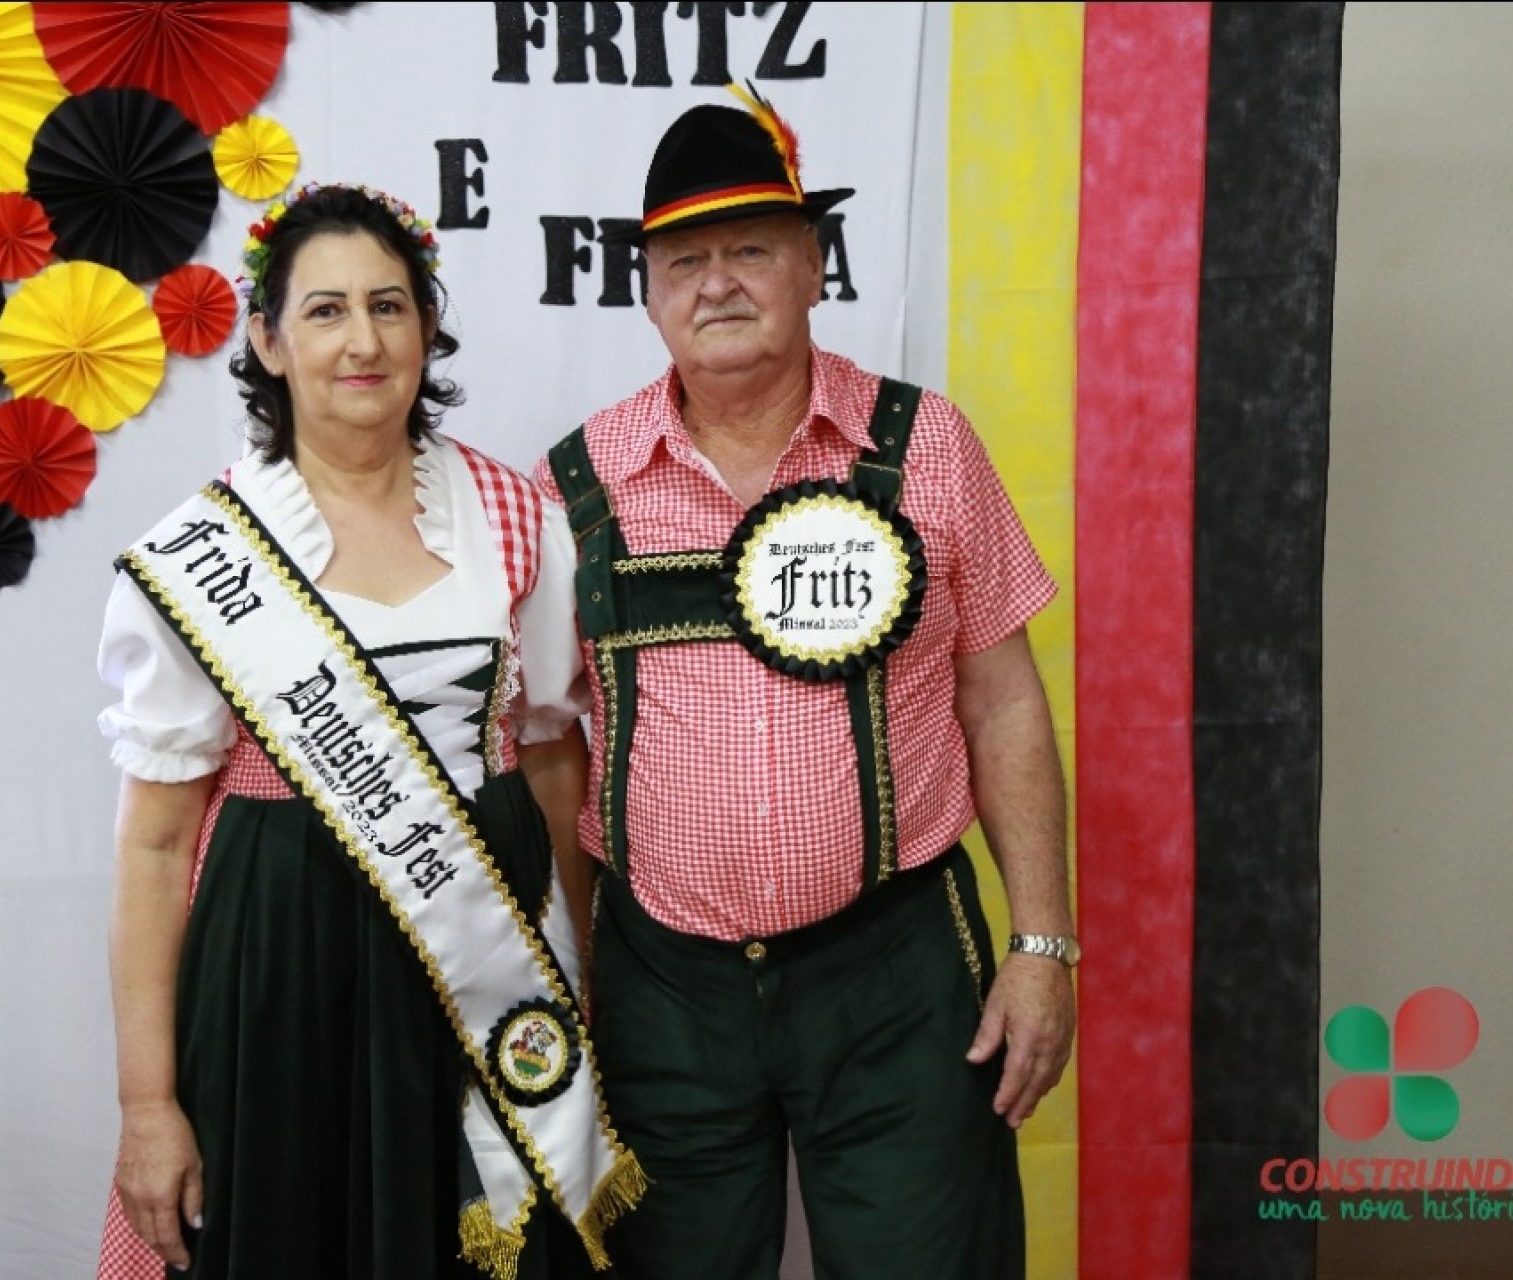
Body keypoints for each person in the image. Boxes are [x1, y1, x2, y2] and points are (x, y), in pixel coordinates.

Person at [532, 88, 1077, 1279]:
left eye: (750, 249)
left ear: (814, 265)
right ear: (648, 290)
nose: (717, 281)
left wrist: (1043, 942)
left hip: (899, 976)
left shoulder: (927, 448)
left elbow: (1004, 700)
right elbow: (545, 742)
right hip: (661, 986)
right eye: (684, 259)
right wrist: (566, 971)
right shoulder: (580, 488)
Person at [92, 182, 643, 1280]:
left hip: (489, 947)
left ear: (428, 326)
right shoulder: (204, 553)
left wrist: (579, 987)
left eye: (391, 306)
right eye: (327, 310)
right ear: (269, 338)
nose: (364, 340)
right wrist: (148, 1102)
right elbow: (154, 847)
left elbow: (546, 756)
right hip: (283, 959)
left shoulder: (516, 515)